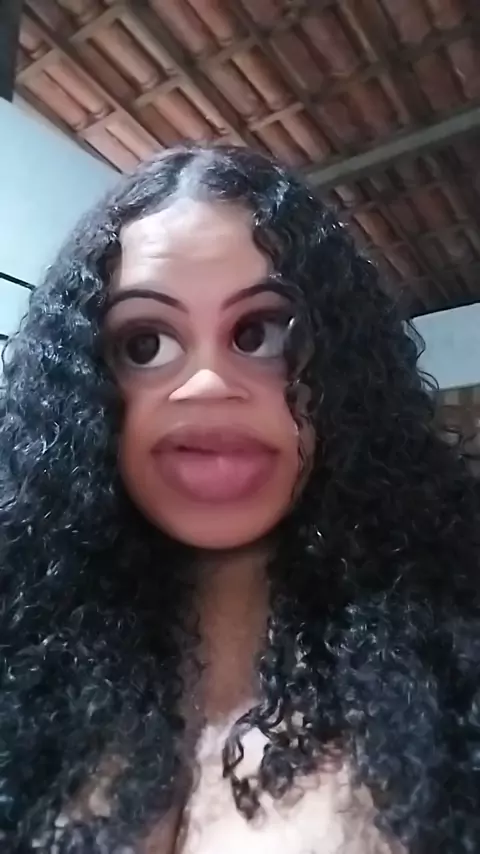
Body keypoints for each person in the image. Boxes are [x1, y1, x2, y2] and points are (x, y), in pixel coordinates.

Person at [0, 145, 478, 854]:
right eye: (145, 344)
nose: (207, 386)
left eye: (259, 334)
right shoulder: (25, 668)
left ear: (341, 373)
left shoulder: (454, 670)